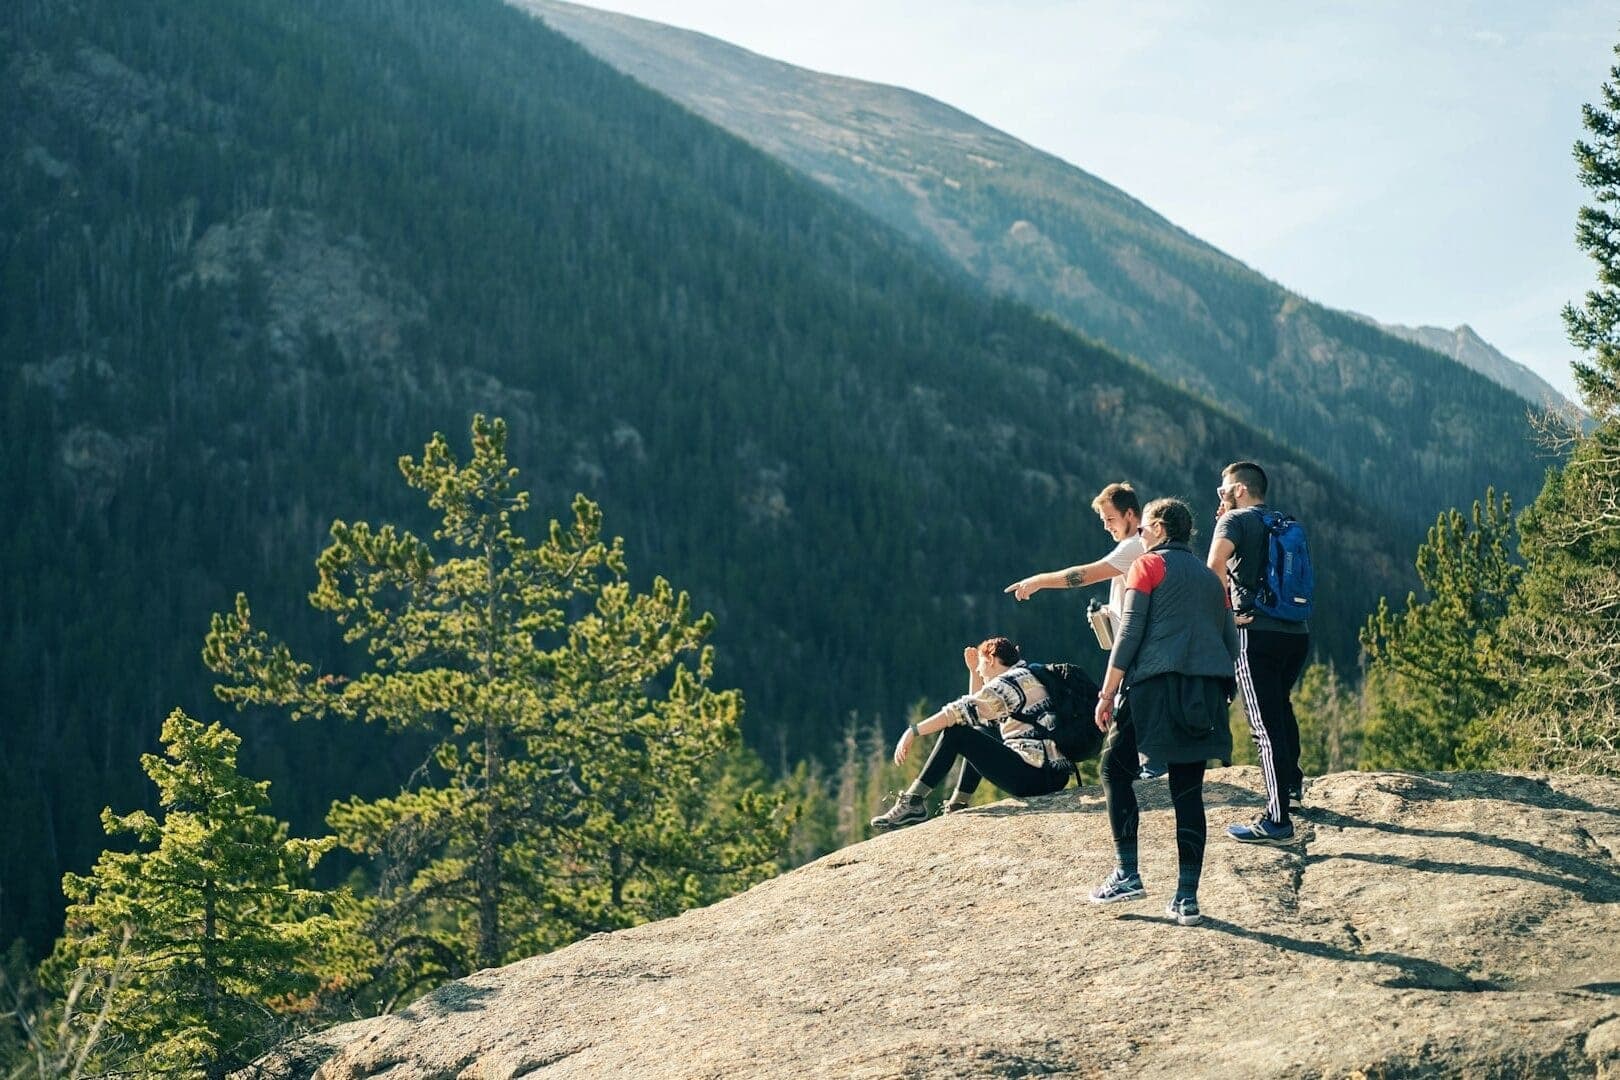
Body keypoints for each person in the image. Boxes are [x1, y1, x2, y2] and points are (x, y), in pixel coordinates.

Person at [1090, 497, 1236, 926]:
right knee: (1188, 793)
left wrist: (1107, 690)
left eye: (1145, 529)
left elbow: (1130, 630)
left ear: (1156, 526)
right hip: (1205, 690)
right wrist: (1223, 690)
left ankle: (1127, 873)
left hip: (1155, 685)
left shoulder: (1148, 565)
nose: (1141, 536)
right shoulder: (1213, 580)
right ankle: (1186, 900)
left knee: (1114, 770)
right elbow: (1229, 639)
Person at [1207, 461, 1309, 845]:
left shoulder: (1233, 523)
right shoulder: (1282, 522)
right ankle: (1292, 790)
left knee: (1263, 728)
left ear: (1239, 490)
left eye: (1223, 491)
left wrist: (1228, 615)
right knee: (1280, 708)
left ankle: (1277, 820)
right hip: (1296, 633)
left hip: (1256, 634)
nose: (1219, 498)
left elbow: (1214, 566)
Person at [869, 637, 1074, 830]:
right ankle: (958, 804)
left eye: (981, 665)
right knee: (981, 731)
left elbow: (957, 713)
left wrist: (912, 731)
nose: (979, 669)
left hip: (1035, 778)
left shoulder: (1006, 685)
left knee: (956, 732)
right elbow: (980, 719)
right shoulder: (1029, 676)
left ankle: (913, 802)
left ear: (992, 660)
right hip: (1054, 774)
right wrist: (973, 674)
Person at [1005, 481, 1144, 635]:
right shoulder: (1139, 541)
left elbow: (1085, 575)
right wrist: (1110, 611)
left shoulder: (1134, 544)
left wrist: (1037, 581)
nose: (1106, 526)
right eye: (1103, 520)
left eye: (1110, 519)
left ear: (1129, 514)